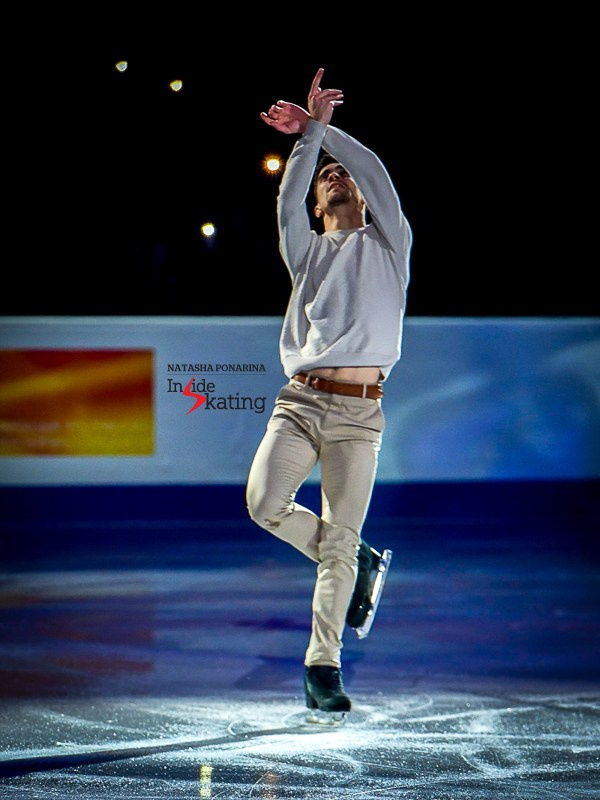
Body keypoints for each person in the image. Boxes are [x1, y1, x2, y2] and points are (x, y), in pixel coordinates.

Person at [246, 68, 412, 719]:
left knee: (337, 540)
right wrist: (306, 146)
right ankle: (354, 556)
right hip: (300, 404)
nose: (335, 178)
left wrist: (325, 131)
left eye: (340, 175)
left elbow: (375, 172)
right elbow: (287, 198)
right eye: (326, 178)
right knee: (263, 504)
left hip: (359, 416)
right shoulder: (307, 251)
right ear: (319, 206)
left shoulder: (392, 244)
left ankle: (323, 666)